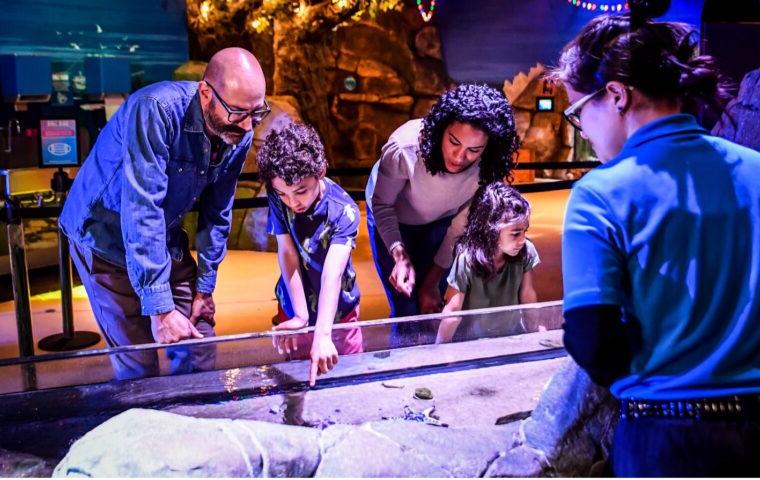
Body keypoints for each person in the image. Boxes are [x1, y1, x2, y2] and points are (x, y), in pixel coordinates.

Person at [550, 0, 760, 475]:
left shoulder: (601, 193)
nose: (582, 130)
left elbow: (592, 339)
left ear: (617, 95)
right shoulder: (756, 170)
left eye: (579, 112)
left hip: (665, 438)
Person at [59, 48, 269, 380]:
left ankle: (194, 421)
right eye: (238, 112)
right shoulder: (155, 110)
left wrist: (205, 288)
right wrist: (160, 308)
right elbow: (142, 209)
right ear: (205, 93)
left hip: (164, 236)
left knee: (197, 345)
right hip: (103, 237)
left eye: (257, 113)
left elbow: (218, 212)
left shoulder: (239, 131)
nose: (247, 125)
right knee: (138, 364)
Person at [365, 84, 519, 347]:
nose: (460, 157)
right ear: (440, 130)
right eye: (453, 141)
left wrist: (433, 278)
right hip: (392, 219)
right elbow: (382, 205)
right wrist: (399, 255)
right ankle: (404, 377)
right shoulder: (405, 147)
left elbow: (460, 225)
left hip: (443, 221)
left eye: (474, 150)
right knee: (406, 308)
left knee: (433, 299)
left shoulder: (488, 167)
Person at [257, 122, 363, 387]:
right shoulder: (277, 193)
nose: (292, 202)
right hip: (294, 304)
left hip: (338, 312)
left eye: (301, 191)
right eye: (284, 194)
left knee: (348, 377)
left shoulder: (344, 211)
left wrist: (323, 333)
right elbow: (287, 252)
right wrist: (301, 316)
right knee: (296, 381)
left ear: (320, 172)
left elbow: (332, 272)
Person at [435, 182, 539, 344]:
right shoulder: (467, 259)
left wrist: (535, 336)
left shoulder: (526, 251)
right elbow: (452, 312)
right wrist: (440, 352)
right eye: (515, 234)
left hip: (512, 338)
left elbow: (527, 296)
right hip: (473, 343)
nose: (522, 240)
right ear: (492, 230)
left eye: (524, 232)